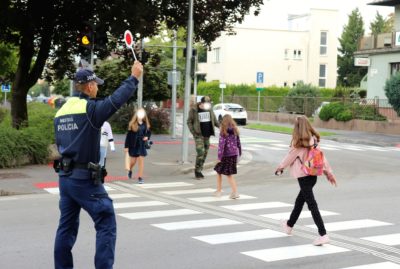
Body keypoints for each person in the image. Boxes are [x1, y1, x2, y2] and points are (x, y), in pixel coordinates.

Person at [53, 60, 143, 269]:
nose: (98, 88)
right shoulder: (89, 110)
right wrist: (134, 77)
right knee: (106, 221)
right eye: (97, 85)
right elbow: (115, 101)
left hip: (65, 178)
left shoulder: (61, 111)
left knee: (65, 228)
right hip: (84, 179)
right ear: (90, 86)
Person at [275, 115, 337, 246]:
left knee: (312, 205)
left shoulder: (298, 143)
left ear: (297, 127)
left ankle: (323, 234)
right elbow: (322, 158)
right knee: (299, 202)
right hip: (313, 175)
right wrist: (329, 173)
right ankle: (289, 225)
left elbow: (289, 157)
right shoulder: (313, 140)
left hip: (303, 177)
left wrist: (280, 167)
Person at [187, 95, 219, 179]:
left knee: (205, 153)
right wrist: (193, 132)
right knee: (200, 152)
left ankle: (200, 169)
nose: (208, 105)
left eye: (209, 104)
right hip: (198, 135)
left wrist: (222, 127)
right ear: (201, 103)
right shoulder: (194, 110)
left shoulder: (210, 109)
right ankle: (197, 171)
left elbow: (215, 121)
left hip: (207, 135)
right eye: (206, 103)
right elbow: (189, 121)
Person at [214, 114, 242, 199]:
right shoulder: (235, 130)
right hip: (233, 155)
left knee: (227, 174)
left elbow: (221, 145)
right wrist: (239, 152)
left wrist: (219, 157)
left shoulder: (224, 131)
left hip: (225, 155)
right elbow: (238, 143)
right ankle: (219, 191)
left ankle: (234, 192)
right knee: (219, 171)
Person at [124, 107, 151, 184]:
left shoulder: (146, 124)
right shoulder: (132, 124)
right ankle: (130, 170)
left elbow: (149, 132)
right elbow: (128, 136)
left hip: (141, 144)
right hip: (134, 145)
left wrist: (147, 137)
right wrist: (126, 147)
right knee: (133, 161)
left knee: (141, 162)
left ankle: (140, 177)